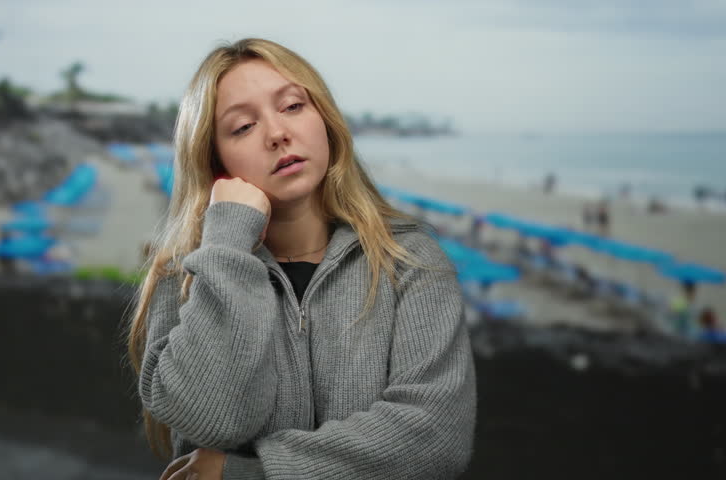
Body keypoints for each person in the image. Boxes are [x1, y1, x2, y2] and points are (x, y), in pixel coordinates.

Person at [126, 38, 476, 480]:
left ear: (324, 119)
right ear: (215, 161)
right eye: (242, 127)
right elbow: (213, 420)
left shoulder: (409, 259)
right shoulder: (182, 277)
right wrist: (228, 245)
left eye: (292, 106)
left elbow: (436, 437)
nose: (277, 134)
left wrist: (247, 473)